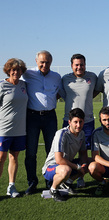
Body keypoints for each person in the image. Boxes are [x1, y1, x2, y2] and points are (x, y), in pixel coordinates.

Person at [22, 50, 63, 195]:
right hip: (32, 116)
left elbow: (59, 93)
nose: (44, 65)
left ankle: (50, 181)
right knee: (31, 152)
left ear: (51, 62)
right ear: (36, 61)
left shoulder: (56, 77)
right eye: (42, 62)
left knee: (51, 151)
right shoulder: (27, 74)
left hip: (50, 117)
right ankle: (32, 182)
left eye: (47, 62)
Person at [61, 54, 98, 188]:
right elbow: (61, 94)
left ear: (85, 64)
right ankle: (67, 176)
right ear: (72, 66)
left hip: (87, 121)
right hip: (68, 121)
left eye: (81, 64)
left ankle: (80, 177)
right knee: (67, 153)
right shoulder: (65, 79)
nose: (79, 67)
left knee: (84, 152)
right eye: (76, 65)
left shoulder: (92, 77)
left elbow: (95, 92)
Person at [42, 108, 88, 202]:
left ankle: (67, 183)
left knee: (90, 163)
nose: (78, 125)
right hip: (51, 167)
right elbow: (59, 159)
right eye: (75, 122)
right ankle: (53, 190)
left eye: (80, 122)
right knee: (66, 169)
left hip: (67, 164)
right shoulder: (62, 134)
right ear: (69, 122)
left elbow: (83, 153)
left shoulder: (82, 134)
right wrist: (78, 167)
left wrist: (83, 165)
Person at [0, 59, 28, 198]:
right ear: (8, 71)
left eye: (19, 70)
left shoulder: (23, 85)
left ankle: (11, 186)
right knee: (1, 157)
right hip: (3, 129)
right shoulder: (2, 86)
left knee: (14, 157)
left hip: (19, 129)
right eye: (13, 70)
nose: (16, 72)